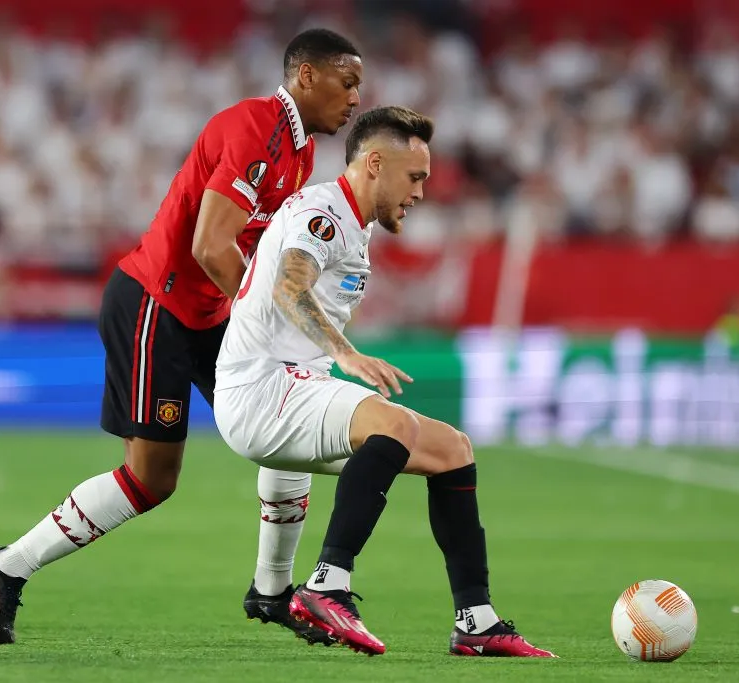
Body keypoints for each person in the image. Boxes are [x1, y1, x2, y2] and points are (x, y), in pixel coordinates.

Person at [0, 28, 363, 646]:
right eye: (348, 81)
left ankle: (272, 590)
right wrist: (277, 314)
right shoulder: (253, 127)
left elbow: (254, 252)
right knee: (152, 479)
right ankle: (6, 564)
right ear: (306, 77)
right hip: (159, 303)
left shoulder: (300, 149)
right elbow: (210, 246)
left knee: (286, 418)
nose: (356, 98)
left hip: (209, 310)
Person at [213, 106, 557, 657]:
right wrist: (344, 353)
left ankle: (477, 619)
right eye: (414, 177)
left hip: (294, 386)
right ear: (374, 163)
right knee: (392, 424)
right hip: (263, 390)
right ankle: (328, 584)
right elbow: (288, 286)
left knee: (452, 450)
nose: (420, 192)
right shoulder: (323, 212)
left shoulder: (357, 223)